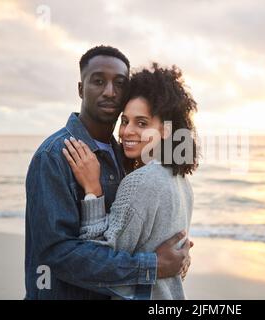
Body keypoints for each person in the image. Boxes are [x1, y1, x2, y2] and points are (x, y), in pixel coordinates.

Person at [25, 46, 192, 300]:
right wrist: (154, 266)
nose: (110, 92)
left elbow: (136, 238)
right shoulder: (55, 155)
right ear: (81, 89)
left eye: (120, 83)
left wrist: (177, 257)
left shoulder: (124, 157)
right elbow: (57, 254)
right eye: (98, 81)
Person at [62, 63, 198, 299]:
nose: (127, 131)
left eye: (142, 123)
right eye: (125, 121)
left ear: (165, 130)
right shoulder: (181, 181)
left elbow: (99, 259)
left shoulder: (140, 182)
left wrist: (93, 190)